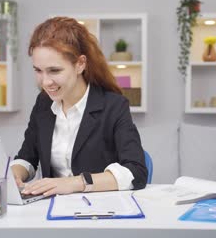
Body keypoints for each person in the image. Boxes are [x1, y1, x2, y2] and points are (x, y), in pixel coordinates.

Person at [10, 17, 147, 197]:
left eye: (54, 70)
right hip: (52, 210)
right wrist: (13, 174)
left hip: (99, 211)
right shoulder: (43, 104)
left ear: (80, 64)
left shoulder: (113, 106)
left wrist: (75, 183)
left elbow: (136, 172)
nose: (45, 82)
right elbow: (27, 157)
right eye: (38, 70)